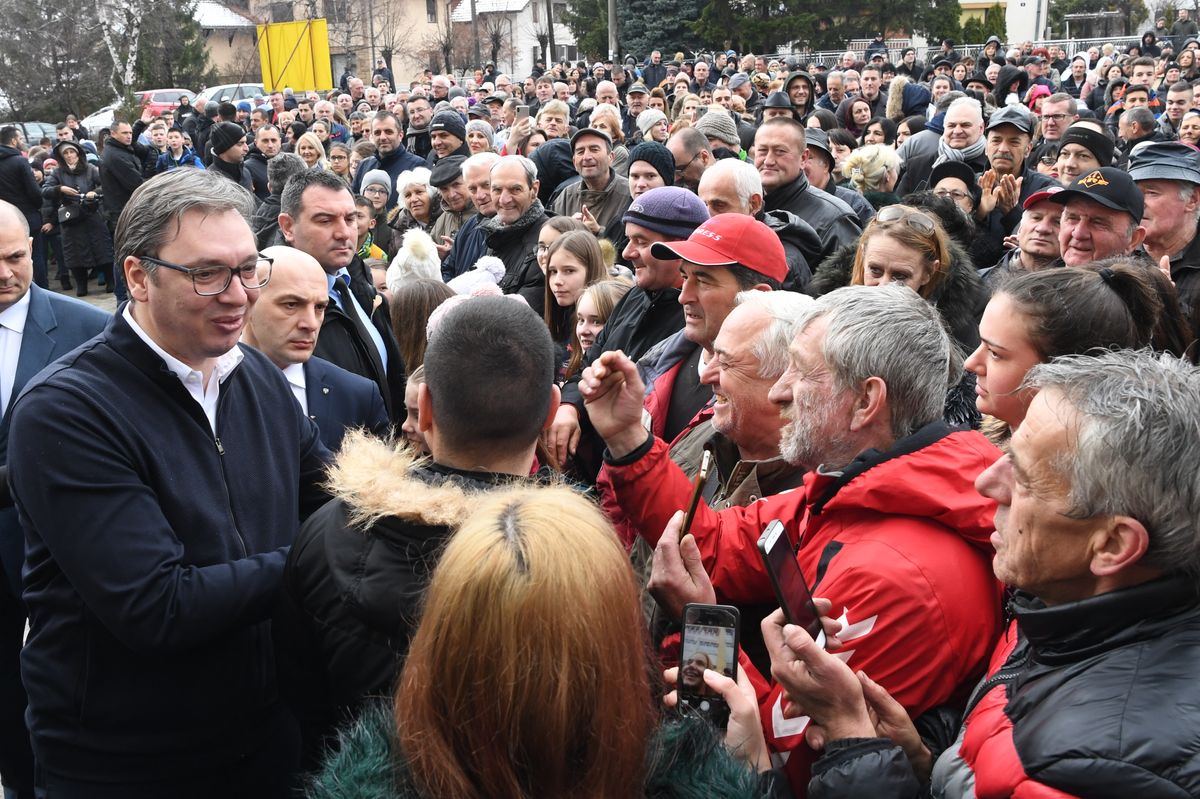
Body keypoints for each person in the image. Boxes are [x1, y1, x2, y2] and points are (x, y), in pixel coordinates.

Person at [582, 285, 1002, 796]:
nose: (780, 392)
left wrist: (703, 629)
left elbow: (785, 759)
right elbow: (714, 542)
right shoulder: (860, 484)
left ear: (867, 400)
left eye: (800, 372)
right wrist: (629, 440)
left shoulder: (892, 575)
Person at [8, 168, 330, 797]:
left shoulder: (255, 377)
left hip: (266, 736)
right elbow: (155, 605)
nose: (239, 295)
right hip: (129, 761)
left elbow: (332, 498)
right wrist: (324, 561)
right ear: (137, 276)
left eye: (248, 269)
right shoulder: (67, 410)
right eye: (207, 273)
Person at [781, 348, 1200, 798]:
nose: (986, 483)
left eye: (1024, 475)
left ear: (1113, 545)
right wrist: (920, 758)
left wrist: (851, 743)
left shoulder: (1097, 768)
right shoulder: (1063, 607)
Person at [273, 296, 565, 769]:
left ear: (423, 409)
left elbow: (300, 699)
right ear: (552, 409)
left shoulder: (326, 531)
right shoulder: (581, 560)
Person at [0, 199, 108, 799]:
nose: (4, 273)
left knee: (67, 685)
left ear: (34, 251)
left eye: (16, 257)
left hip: (60, 554)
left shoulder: (83, 327)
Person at [547, 187, 709, 470]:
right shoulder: (635, 296)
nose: (627, 252)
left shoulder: (700, 321)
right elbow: (589, 365)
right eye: (629, 238)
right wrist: (569, 407)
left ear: (681, 247)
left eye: (641, 242)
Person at [966, 262, 1160, 447]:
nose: (970, 363)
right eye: (981, 342)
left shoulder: (1067, 478)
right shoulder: (979, 438)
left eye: (995, 353)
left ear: (1064, 372)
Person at [279, 169, 405, 422]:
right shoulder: (270, 303)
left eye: (350, 219)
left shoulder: (357, 279)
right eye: (325, 220)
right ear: (288, 227)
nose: (344, 233)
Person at [241, 245, 388, 452]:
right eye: (291, 304)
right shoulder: (203, 384)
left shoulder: (358, 397)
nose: (311, 323)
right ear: (247, 301)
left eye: (320, 307)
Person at [696, 158, 820, 292]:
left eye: (719, 206)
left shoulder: (783, 262)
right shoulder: (707, 240)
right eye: (702, 206)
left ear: (754, 204)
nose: (707, 216)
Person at [753, 118, 861, 263]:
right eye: (762, 151)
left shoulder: (836, 219)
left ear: (803, 158)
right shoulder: (744, 205)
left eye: (780, 151)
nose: (768, 160)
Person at [1130, 141, 1200, 327]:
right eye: (1134, 193)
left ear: (1192, 200)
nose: (1139, 203)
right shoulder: (1116, 250)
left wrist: (1169, 306)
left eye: (1151, 192)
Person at [42, 140, 113, 296]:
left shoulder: (90, 169)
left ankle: (110, 280)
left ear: (78, 153)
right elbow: (45, 190)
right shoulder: (57, 173)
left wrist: (95, 192)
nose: (69, 156)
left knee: (102, 249)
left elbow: (106, 185)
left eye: (72, 152)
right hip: (71, 219)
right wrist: (60, 188)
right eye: (65, 153)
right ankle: (81, 284)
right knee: (74, 254)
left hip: (92, 214)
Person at [480, 155, 548, 311]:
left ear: (534, 189)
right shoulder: (492, 233)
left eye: (515, 189)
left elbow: (519, 316)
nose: (504, 200)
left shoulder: (547, 240)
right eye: (497, 189)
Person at [552, 128, 632, 253]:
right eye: (580, 151)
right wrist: (567, 231)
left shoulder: (630, 193)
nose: (587, 157)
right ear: (574, 162)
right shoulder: (566, 196)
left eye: (594, 149)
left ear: (611, 157)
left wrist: (599, 231)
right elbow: (550, 241)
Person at [1051, 166, 1147, 267]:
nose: (1079, 234)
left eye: (1098, 222)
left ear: (1133, 239)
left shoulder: (1149, 282)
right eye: (1072, 218)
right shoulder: (1037, 281)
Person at [980, 186, 1063, 286]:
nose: (1042, 228)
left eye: (1058, 222)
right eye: (1036, 218)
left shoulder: (1081, 294)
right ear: (1019, 230)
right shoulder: (977, 283)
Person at [353, 111, 425, 209]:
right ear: (372, 136)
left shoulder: (418, 166)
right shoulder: (364, 165)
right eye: (377, 133)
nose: (382, 137)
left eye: (388, 132)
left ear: (400, 135)